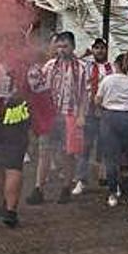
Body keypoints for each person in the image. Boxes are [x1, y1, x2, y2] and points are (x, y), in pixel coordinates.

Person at [26, 31, 88, 204]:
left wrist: (82, 116)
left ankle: (66, 187)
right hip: (51, 116)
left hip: (70, 115)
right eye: (59, 46)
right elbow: (39, 87)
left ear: (73, 47)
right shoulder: (49, 65)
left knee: (68, 153)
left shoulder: (81, 68)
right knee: (44, 151)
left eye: (65, 46)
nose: (61, 50)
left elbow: (84, 94)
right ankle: (38, 188)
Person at [0, 55, 32, 228]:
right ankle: (10, 211)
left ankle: (1, 205)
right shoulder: (24, 61)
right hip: (16, 115)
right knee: (14, 165)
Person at [97, 52, 128, 209]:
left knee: (111, 158)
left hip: (109, 118)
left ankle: (112, 193)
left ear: (116, 65)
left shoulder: (107, 80)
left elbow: (98, 99)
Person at [74, 37, 114, 195]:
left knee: (106, 146)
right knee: (85, 147)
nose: (99, 51)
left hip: (105, 110)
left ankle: (106, 177)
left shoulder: (112, 68)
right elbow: (72, 61)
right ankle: (81, 180)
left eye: (102, 48)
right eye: (96, 48)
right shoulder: (86, 66)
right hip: (89, 110)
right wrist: (85, 53)